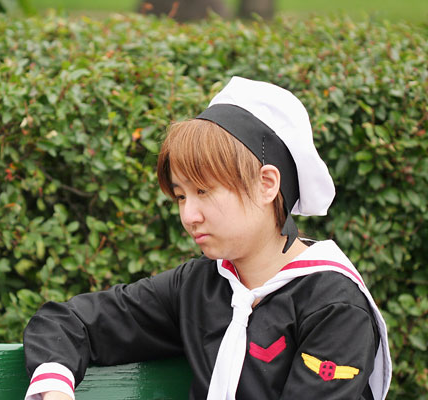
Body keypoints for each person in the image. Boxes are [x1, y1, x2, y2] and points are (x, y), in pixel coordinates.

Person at [22, 77, 392, 400]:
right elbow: (69, 321)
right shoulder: (200, 286)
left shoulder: (334, 307)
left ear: (266, 184)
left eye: (203, 191)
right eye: (181, 196)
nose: (188, 216)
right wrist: (55, 391)